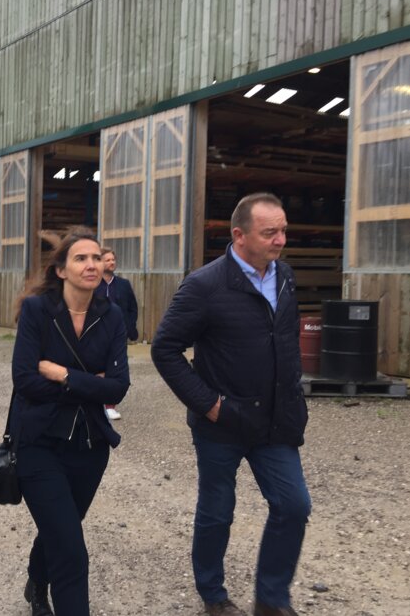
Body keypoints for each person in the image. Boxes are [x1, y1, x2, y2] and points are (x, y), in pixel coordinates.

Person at [151, 193, 311, 616]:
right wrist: (210, 405)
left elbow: (286, 344)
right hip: (222, 422)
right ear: (239, 236)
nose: (280, 240)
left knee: (294, 505)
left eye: (283, 231)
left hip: (275, 420)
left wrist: (294, 399)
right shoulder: (205, 285)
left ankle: (272, 599)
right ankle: (213, 595)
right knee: (218, 511)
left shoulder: (285, 277)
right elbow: (165, 349)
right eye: (269, 232)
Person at [11, 228, 130, 615]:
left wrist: (63, 376)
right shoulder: (38, 311)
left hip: (90, 446)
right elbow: (25, 379)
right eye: (81, 258)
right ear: (61, 269)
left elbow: (119, 386)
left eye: (96, 257)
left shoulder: (110, 315)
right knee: (72, 549)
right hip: (39, 442)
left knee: (60, 529)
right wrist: (88, 385)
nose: (92, 264)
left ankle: (36, 579)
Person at [94, 247, 139, 421]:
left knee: (116, 368)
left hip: (118, 334)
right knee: (97, 366)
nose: (111, 263)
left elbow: (132, 308)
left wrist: (130, 326)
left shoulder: (123, 284)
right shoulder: (93, 284)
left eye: (113, 260)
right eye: (107, 260)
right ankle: (96, 399)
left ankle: (110, 405)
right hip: (96, 333)